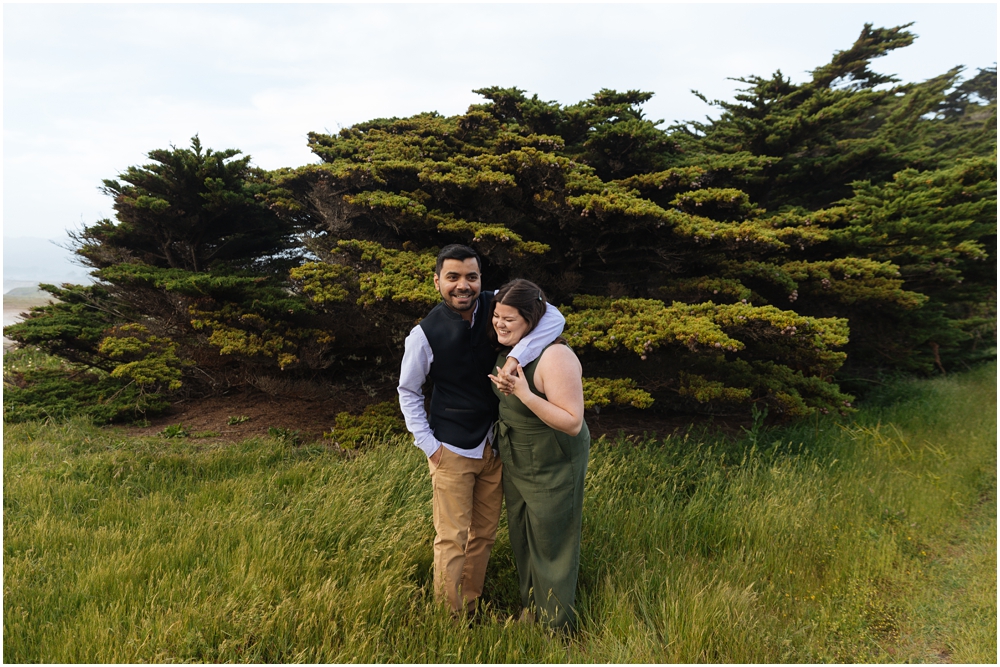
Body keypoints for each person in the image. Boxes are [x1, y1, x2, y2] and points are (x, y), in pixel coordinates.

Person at [397, 245, 565, 616]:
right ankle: (449, 617)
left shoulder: (496, 305)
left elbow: (553, 317)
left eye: (471, 277)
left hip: (494, 447)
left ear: (480, 280)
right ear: (437, 281)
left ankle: (470, 606)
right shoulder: (424, 334)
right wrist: (429, 446)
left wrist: (517, 356)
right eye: (453, 277)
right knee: (452, 539)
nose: (463, 285)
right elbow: (408, 391)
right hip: (451, 448)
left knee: (484, 536)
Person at [488, 279, 590, 633]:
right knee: (523, 536)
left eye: (509, 319)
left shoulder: (556, 356)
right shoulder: (516, 346)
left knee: (552, 541)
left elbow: (572, 422)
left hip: (552, 458)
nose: (499, 324)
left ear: (532, 320)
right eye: (496, 316)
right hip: (517, 454)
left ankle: (556, 627)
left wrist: (524, 394)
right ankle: (531, 608)